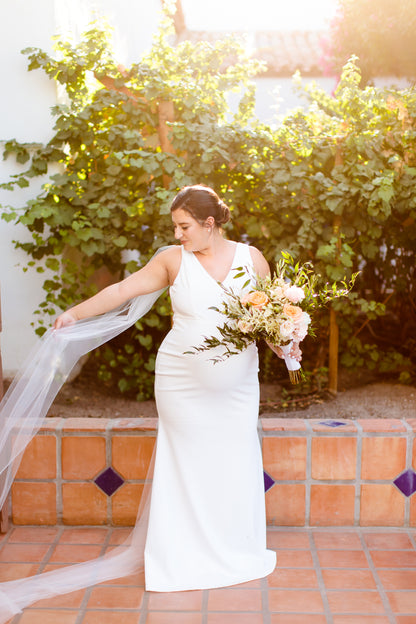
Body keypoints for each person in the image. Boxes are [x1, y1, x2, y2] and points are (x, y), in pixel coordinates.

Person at [0, 185, 300, 616]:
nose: (178, 234)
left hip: (237, 387)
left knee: (235, 458)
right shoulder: (171, 260)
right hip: (181, 382)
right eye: (175, 227)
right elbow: (122, 292)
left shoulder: (251, 260)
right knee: (186, 461)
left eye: (185, 226)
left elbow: (271, 320)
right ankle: (180, 555)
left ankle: (235, 547)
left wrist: (287, 347)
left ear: (209, 224)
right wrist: (75, 314)